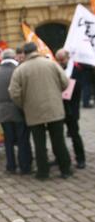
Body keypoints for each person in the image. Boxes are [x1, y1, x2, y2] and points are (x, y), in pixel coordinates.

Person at [9, 42, 72, 181]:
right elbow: (65, 83)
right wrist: (56, 93)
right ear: (36, 50)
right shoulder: (51, 64)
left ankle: (43, 172)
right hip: (54, 108)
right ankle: (65, 169)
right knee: (59, 141)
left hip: (33, 111)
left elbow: (13, 93)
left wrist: (23, 104)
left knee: (39, 144)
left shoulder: (20, 70)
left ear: (24, 53)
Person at [0, 49, 32, 175]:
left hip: (2, 110)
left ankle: (11, 165)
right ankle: (24, 165)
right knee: (22, 139)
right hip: (17, 109)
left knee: (8, 140)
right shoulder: (17, 69)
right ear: (14, 57)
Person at [55, 49, 86, 169]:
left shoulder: (76, 69)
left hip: (71, 108)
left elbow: (79, 86)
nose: (60, 62)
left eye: (62, 59)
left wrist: (68, 85)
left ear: (67, 58)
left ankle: (80, 158)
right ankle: (61, 158)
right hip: (59, 107)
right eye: (58, 60)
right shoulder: (57, 68)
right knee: (58, 135)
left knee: (74, 135)